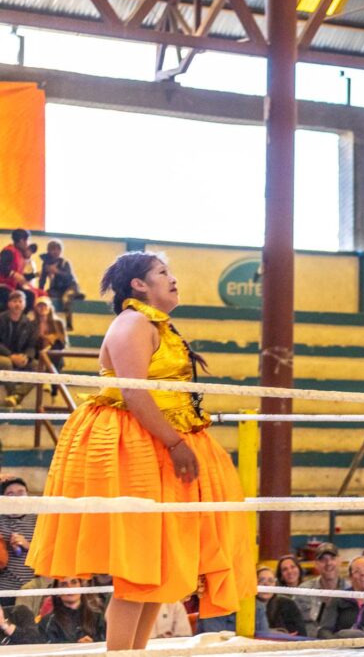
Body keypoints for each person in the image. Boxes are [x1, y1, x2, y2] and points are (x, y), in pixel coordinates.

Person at [25, 251, 255, 651]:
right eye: (163, 273)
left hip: (157, 442)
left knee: (158, 567)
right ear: (138, 284)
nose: (173, 279)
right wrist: (176, 442)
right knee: (139, 563)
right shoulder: (133, 322)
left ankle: (134, 652)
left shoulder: (155, 325)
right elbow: (134, 392)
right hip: (136, 446)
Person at [320, 555, 364, 638]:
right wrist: (337, 644)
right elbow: (324, 630)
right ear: (350, 578)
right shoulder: (338, 598)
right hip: (341, 648)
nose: (363, 574)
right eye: (357, 571)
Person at [0, 476, 35, 607]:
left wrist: (28, 545)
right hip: (4, 589)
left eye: (21, 492)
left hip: (32, 588)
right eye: (10, 493)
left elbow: (50, 553)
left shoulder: (38, 519)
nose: (16, 497)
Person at [38, 578, 107, 644]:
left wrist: (92, 645)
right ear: (57, 591)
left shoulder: (98, 616)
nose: (70, 588)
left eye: (74, 582)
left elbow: (106, 645)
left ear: (81, 586)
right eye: (64, 584)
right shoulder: (48, 622)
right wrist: (76, 646)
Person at [296, 542, 343, 637]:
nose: (328, 563)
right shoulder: (303, 591)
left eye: (332, 559)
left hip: (341, 648)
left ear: (340, 561)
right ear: (316, 564)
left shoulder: (350, 591)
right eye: (323, 560)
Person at [0, 290, 37, 407]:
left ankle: (16, 396)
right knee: (6, 363)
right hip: (4, 356)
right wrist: (11, 355)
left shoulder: (28, 323)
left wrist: (26, 357)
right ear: (9, 304)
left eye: (20, 301)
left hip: (19, 357)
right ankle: (12, 395)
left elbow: (31, 345)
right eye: (14, 301)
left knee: (38, 366)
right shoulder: (1, 319)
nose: (17, 304)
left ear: (24, 304)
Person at [37, 239, 83, 329]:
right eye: (53, 249)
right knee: (47, 297)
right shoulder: (46, 264)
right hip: (57, 289)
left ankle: (69, 323)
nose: (55, 252)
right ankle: (49, 321)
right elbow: (42, 279)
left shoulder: (65, 262)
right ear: (48, 250)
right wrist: (40, 292)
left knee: (66, 298)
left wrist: (56, 271)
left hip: (71, 286)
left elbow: (69, 277)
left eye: (58, 249)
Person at [257, 565, 306, 636]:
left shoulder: (288, 604)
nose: (266, 584)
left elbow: (300, 634)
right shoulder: (246, 606)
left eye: (270, 581)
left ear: (275, 584)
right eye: (261, 580)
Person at [31, 295, 67, 375]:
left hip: (54, 354)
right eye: (40, 306)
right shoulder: (32, 324)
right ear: (36, 309)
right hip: (38, 353)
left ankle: (51, 384)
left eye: (45, 305)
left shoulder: (58, 323)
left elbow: (63, 343)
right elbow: (31, 342)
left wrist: (53, 339)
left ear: (50, 307)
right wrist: (45, 338)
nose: (42, 308)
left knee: (56, 348)